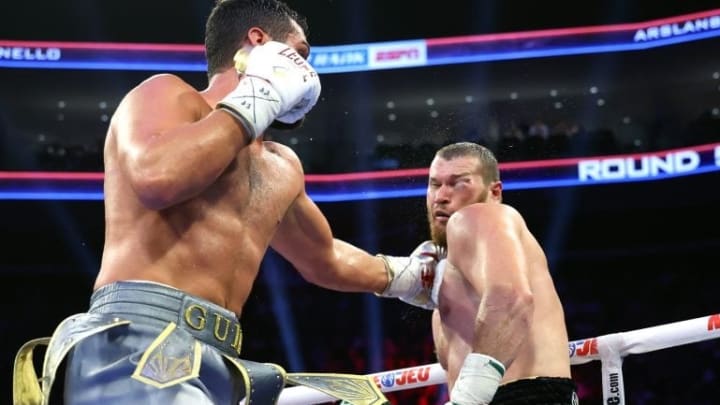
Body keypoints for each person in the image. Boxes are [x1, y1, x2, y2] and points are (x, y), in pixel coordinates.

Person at [11, 1, 436, 404]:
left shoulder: (280, 165)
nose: (309, 69)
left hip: (218, 361)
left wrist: (412, 276)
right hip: (135, 343)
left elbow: (324, 258)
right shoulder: (168, 97)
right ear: (258, 42)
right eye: (300, 53)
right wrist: (259, 94)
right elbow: (157, 178)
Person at [424, 142, 577, 404]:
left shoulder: (483, 217)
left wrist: (468, 398)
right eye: (435, 184)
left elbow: (510, 298)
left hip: (522, 396)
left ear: (494, 192)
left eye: (458, 183)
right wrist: (404, 281)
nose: (441, 196)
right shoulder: (448, 268)